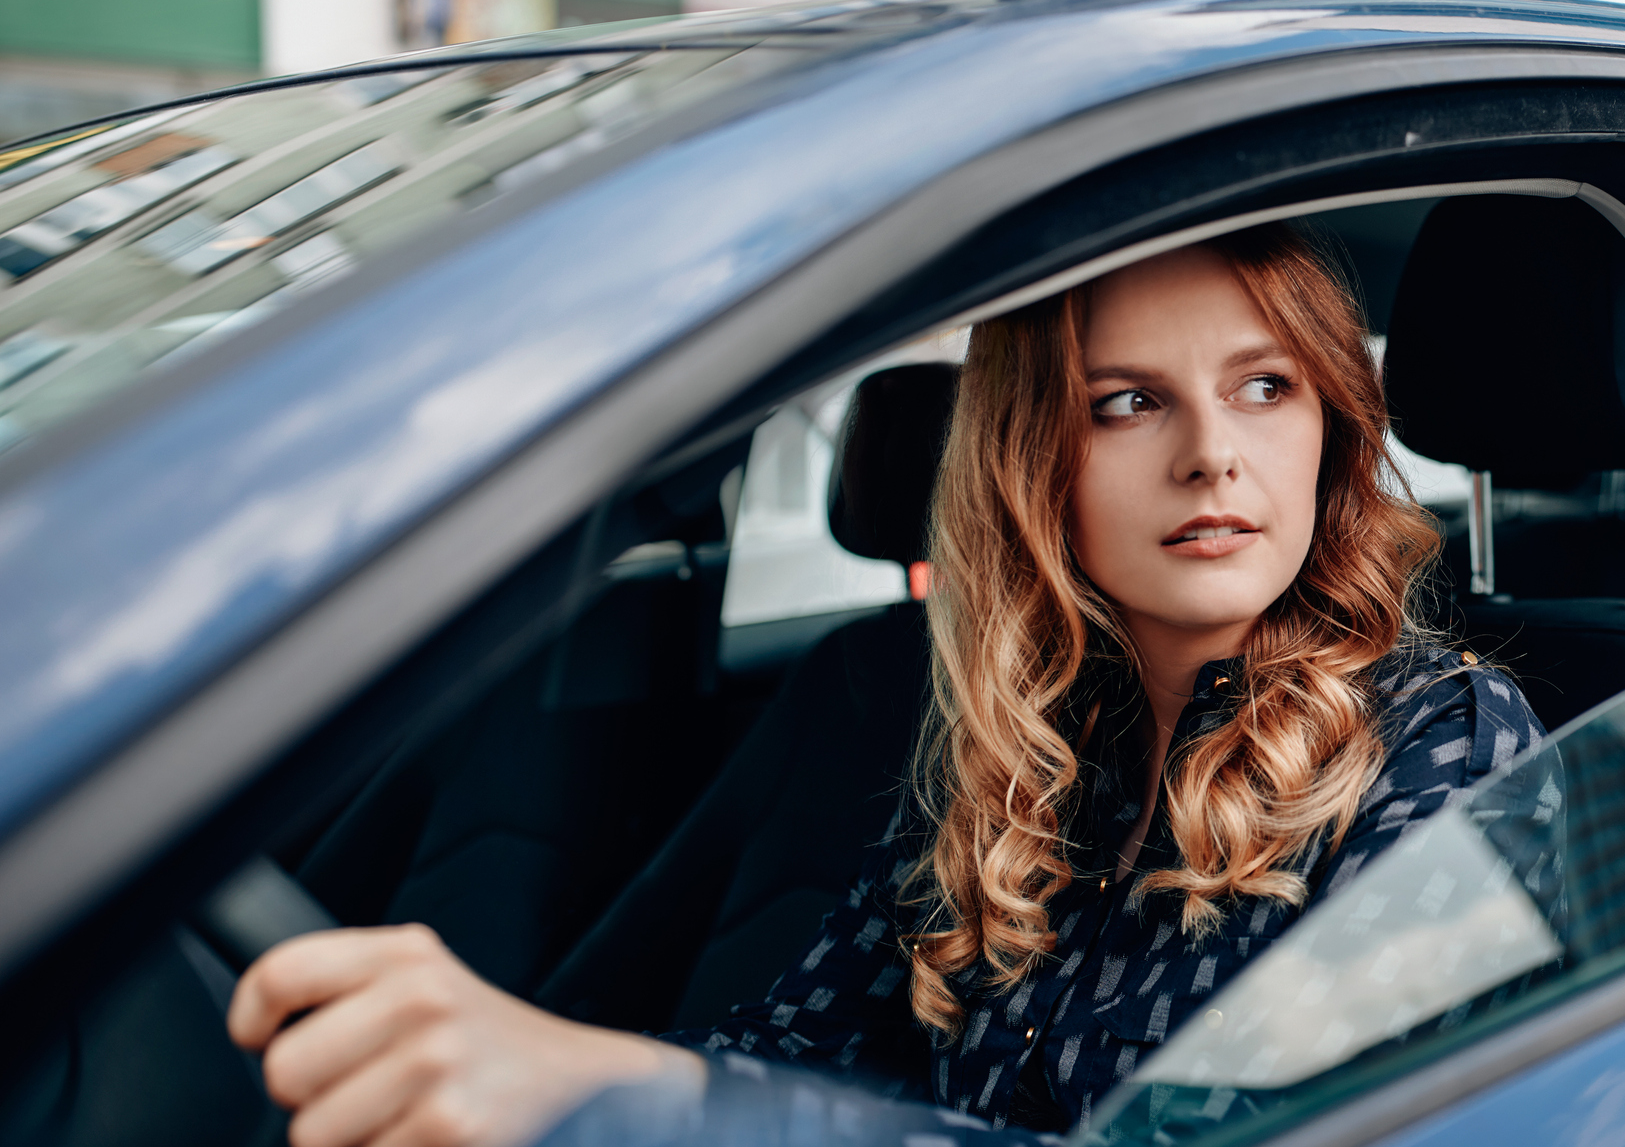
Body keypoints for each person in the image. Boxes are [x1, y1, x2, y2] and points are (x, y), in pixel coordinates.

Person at [225, 223, 1547, 1147]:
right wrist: (524, 1070)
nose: (1213, 456)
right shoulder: (1029, 751)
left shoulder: (1441, 739)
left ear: (1329, 428)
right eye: (1127, 404)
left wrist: (611, 1087)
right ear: (1035, 465)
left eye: (1264, 387)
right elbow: (790, 1051)